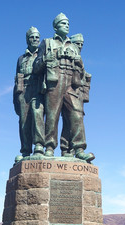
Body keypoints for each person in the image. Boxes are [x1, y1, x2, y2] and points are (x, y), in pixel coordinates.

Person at [33, 13, 94, 162]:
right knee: (52, 115)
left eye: (67, 24)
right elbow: (36, 68)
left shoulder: (73, 46)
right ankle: (49, 147)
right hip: (55, 80)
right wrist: (44, 60)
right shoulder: (47, 43)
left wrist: (79, 62)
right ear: (55, 26)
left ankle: (79, 149)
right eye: (63, 23)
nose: (66, 26)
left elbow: (81, 70)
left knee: (76, 114)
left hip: (71, 83)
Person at [13, 27, 45, 161]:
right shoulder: (21, 58)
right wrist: (15, 98)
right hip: (23, 90)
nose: (35, 40)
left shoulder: (42, 54)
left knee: (37, 114)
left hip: (37, 89)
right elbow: (16, 78)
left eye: (37, 37)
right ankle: (26, 150)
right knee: (24, 121)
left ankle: (39, 145)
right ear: (27, 39)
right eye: (32, 37)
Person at [60, 33, 92, 158]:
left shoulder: (78, 58)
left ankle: (70, 150)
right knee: (68, 119)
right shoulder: (68, 55)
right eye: (77, 43)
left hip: (77, 93)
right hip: (62, 89)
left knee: (73, 120)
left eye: (81, 44)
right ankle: (65, 148)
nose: (80, 46)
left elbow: (82, 76)